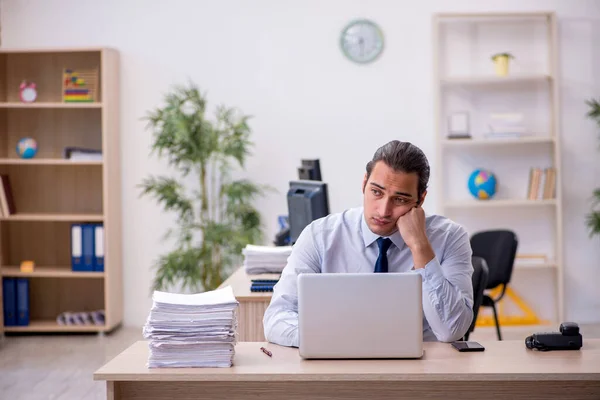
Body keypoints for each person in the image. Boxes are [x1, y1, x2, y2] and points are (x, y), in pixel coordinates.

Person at [263, 140, 474, 347]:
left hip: (419, 369)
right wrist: (336, 339)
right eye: (376, 192)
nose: (383, 211)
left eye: (400, 199)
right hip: (339, 363)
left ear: (420, 200)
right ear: (364, 184)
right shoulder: (320, 236)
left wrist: (420, 246)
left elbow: (451, 331)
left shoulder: (450, 238)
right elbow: (276, 317)